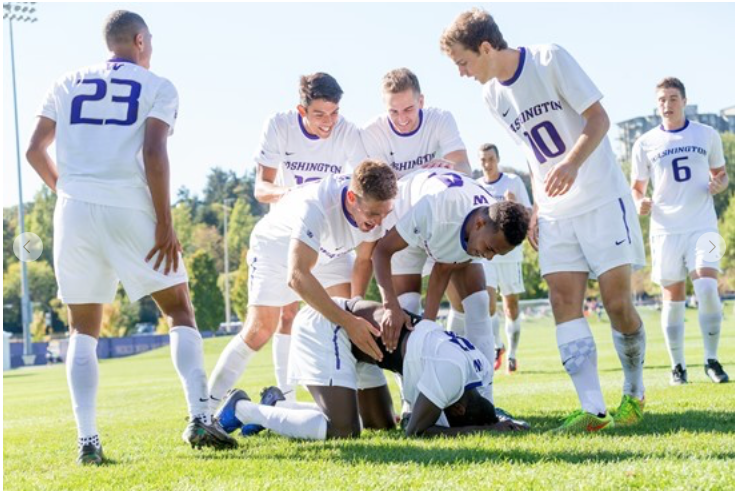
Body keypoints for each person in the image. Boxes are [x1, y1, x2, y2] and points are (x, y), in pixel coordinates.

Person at [25, 10, 236, 464]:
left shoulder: (65, 81)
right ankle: (200, 417)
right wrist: (165, 220)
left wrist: (67, 191)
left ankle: (88, 442)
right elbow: (154, 151)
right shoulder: (158, 85)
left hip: (74, 211)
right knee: (179, 307)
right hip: (131, 207)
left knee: (83, 328)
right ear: (140, 41)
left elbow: (33, 150)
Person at [440, 8, 647, 431]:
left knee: (618, 305)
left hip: (602, 198)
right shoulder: (491, 96)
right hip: (555, 210)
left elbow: (598, 118)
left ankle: (634, 391)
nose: (461, 73)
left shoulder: (549, 58)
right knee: (561, 302)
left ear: (485, 47)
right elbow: (534, 154)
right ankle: (593, 410)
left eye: (463, 62)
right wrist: (535, 207)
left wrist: (571, 164)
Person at [207, 160, 397, 426]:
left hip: (329, 253)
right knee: (260, 330)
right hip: (276, 249)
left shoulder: (376, 210)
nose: (378, 222)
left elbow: (363, 261)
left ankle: (293, 406)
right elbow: (297, 277)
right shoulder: (317, 206)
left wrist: (353, 313)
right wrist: (349, 322)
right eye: (373, 214)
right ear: (352, 198)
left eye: (385, 214)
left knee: (345, 321)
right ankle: (204, 413)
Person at [214, 299, 529, 439]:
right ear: (458, 406)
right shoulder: (450, 376)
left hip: (366, 349)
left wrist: (500, 420)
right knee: (343, 430)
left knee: (378, 425)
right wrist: (487, 429)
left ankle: (279, 407)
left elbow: (487, 408)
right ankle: (242, 409)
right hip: (332, 325)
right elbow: (416, 430)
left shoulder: (480, 370)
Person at [373, 168, 530, 408]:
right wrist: (390, 306)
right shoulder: (436, 210)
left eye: (495, 254)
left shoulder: (487, 221)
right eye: (489, 248)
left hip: (448, 225)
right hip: (408, 213)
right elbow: (381, 252)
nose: (488, 258)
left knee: (479, 305)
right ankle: (411, 402)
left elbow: (443, 268)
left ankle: (484, 402)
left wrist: (427, 324)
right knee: (406, 307)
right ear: (479, 223)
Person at [253, 72, 367, 401]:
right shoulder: (278, 124)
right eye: (320, 114)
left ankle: (350, 394)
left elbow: (362, 183)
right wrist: (298, 194)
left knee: (343, 309)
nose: (329, 122)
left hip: (333, 237)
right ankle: (286, 398)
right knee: (286, 314)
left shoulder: (347, 131)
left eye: (335, 112)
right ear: (302, 110)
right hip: (292, 233)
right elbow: (261, 189)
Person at [631, 77, 729, 385]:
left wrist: (719, 184)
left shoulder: (707, 134)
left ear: (684, 101)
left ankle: (712, 361)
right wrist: (640, 203)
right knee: (672, 299)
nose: (667, 104)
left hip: (704, 226)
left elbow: (722, 174)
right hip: (665, 231)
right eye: (662, 99)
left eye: (673, 98)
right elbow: (636, 188)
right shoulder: (644, 143)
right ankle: (678, 367)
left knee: (708, 290)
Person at [361, 67, 472, 316]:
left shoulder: (441, 119)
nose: (401, 119)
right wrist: (421, 174)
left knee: (467, 305)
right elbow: (382, 189)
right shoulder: (372, 132)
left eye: (409, 109)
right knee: (407, 309)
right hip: (399, 223)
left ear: (421, 101)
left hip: (440, 220)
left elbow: (465, 169)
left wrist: (450, 169)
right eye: (393, 111)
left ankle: (470, 354)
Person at [473, 143, 532, 373]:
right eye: (483, 160)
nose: (487, 164)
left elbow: (527, 213)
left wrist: (513, 203)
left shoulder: (513, 181)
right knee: (487, 303)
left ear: (498, 159)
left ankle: (513, 354)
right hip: (487, 254)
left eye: (490, 159)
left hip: (510, 253)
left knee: (510, 305)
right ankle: (497, 346)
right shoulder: (476, 186)